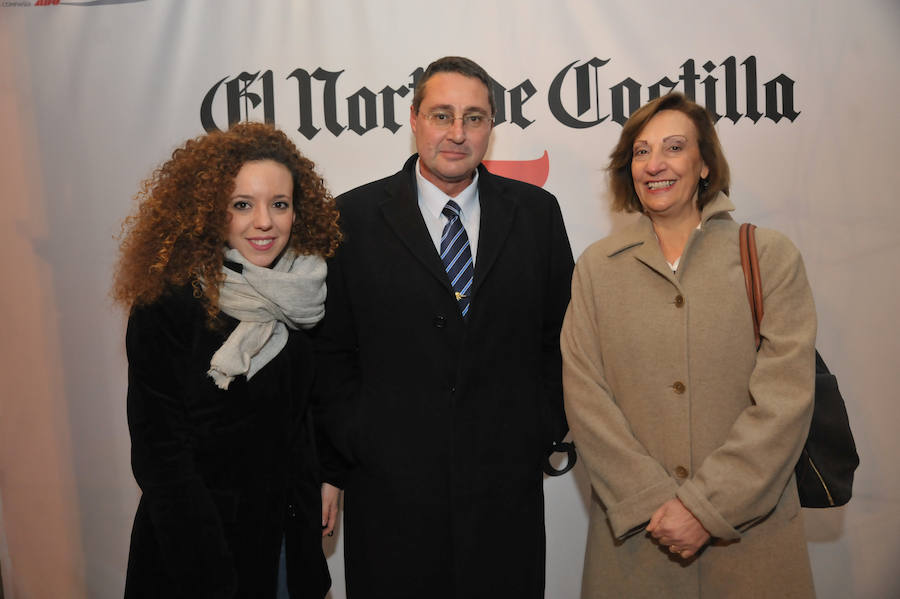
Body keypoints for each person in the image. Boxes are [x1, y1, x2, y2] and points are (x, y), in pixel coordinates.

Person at [313, 56, 574, 598]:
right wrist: (358, 443)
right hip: (391, 496)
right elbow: (332, 352)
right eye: (442, 115)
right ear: (413, 118)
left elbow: (562, 338)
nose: (457, 133)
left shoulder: (536, 214)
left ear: (492, 128)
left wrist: (539, 426)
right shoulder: (350, 220)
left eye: (474, 117)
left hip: (504, 495)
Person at [561, 92, 817, 598]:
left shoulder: (769, 257)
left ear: (704, 164)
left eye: (674, 148)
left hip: (750, 539)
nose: (654, 164)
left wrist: (705, 508)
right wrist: (653, 502)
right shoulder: (597, 267)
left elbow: (785, 400)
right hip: (637, 542)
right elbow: (584, 393)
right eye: (640, 152)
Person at [112, 122, 342, 598]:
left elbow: (300, 419)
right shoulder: (168, 305)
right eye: (243, 205)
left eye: (279, 204)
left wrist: (325, 478)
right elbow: (162, 459)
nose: (265, 222)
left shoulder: (303, 295)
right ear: (210, 212)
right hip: (199, 554)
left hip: (284, 544)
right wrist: (211, 577)